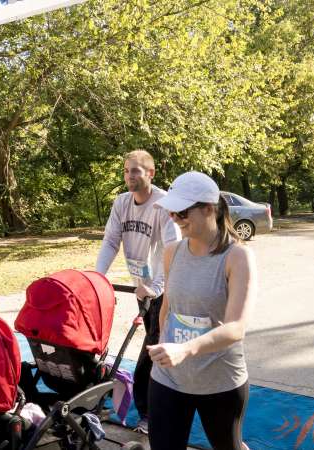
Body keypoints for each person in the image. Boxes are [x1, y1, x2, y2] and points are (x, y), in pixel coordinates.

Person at [147, 171, 257, 450]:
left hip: (219, 381)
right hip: (169, 377)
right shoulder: (172, 251)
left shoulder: (237, 256)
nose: (174, 219)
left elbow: (236, 328)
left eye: (182, 212)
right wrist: (163, 343)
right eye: (172, 212)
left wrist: (186, 349)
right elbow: (168, 307)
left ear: (209, 209)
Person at [96, 150, 181, 433]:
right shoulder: (121, 203)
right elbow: (110, 242)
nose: (129, 176)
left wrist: (156, 287)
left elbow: (173, 248)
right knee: (152, 343)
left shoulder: (163, 205)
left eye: (136, 171)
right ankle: (151, 404)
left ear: (150, 174)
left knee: (151, 350)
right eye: (126, 171)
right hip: (142, 288)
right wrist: (97, 278)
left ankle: (149, 414)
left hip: (165, 287)